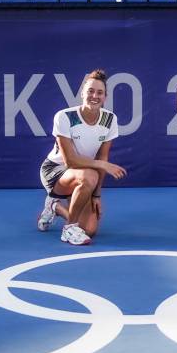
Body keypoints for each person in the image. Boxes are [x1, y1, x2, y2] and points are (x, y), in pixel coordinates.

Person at [37, 69, 127, 245]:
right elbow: (70, 161)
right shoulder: (65, 117)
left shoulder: (110, 120)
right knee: (90, 174)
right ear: (82, 94)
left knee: (90, 230)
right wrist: (102, 165)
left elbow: (103, 156)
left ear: (105, 97)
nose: (94, 96)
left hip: (84, 173)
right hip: (55, 171)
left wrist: (96, 196)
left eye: (99, 92)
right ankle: (69, 229)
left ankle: (53, 207)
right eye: (90, 91)